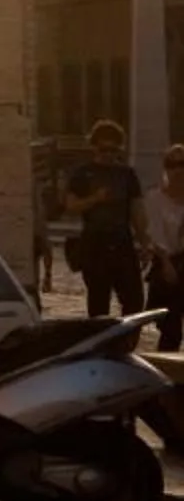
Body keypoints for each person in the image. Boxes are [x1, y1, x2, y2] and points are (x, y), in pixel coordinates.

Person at [62, 118, 148, 324]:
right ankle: (101, 343)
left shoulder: (127, 174)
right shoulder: (83, 173)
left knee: (134, 299)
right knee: (99, 303)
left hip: (122, 242)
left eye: (113, 149)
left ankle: (125, 340)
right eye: (104, 149)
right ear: (94, 147)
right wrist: (95, 199)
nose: (108, 154)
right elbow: (71, 205)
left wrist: (144, 242)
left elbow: (137, 210)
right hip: (95, 243)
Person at [144, 143, 184, 350]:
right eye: (172, 165)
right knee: (171, 328)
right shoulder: (155, 199)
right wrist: (167, 263)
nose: (178, 170)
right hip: (167, 262)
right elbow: (155, 234)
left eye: (182, 164)